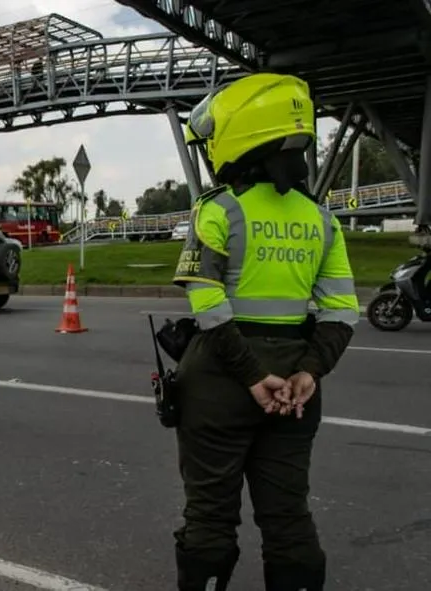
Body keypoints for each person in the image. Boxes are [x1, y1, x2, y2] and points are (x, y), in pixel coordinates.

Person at [171, 73, 360, 591]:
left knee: (209, 511)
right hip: (297, 383)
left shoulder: (219, 209)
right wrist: (307, 372)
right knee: (288, 514)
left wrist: (253, 376)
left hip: (220, 379)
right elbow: (343, 311)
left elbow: (206, 302)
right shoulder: (322, 219)